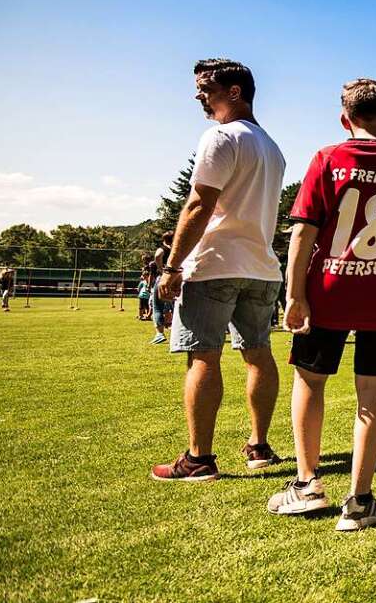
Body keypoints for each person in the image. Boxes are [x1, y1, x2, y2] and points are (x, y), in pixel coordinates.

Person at [274, 78, 376, 531]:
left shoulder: (328, 158)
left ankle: (308, 484)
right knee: (374, 394)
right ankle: (359, 501)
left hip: (327, 289)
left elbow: (303, 232)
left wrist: (293, 294)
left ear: (345, 120)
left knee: (309, 382)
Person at [150, 58, 286, 483]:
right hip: (261, 267)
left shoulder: (221, 137)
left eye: (206, 88)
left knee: (202, 355)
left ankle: (198, 459)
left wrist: (172, 265)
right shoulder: (272, 147)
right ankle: (259, 446)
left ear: (235, 92)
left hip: (216, 263)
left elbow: (198, 204)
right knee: (258, 354)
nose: (198, 96)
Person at [149, 231, 175, 344]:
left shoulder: (163, 249)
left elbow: (157, 255)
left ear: (163, 240)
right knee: (176, 306)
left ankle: (159, 333)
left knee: (157, 306)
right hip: (177, 277)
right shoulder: (177, 249)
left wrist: (160, 268)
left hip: (164, 278)